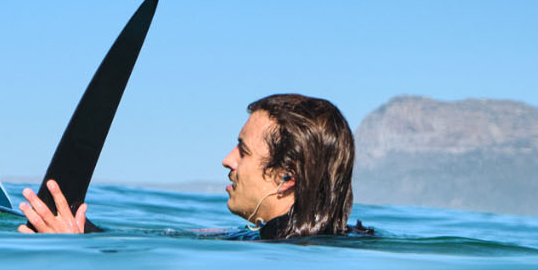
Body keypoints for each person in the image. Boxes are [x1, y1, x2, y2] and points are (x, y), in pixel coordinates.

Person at [18, 93, 364, 240]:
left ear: (287, 176)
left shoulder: (275, 257)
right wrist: (84, 234)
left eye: (243, 151)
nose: (227, 160)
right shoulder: (339, 238)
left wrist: (73, 253)